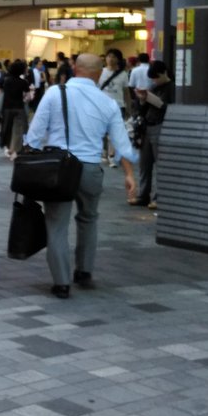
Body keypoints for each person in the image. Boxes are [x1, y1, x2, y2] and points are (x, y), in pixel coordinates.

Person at [23, 52, 137, 298]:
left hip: (58, 170)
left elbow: (34, 135)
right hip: (90, 168)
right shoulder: (107, 103)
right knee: (88, 219)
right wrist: (130, 175)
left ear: (75, 69)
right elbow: (122, 144)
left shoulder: (55, 92)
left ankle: (61, 283)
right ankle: (84, 271)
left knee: (56, 225)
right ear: (99, 75)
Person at [131, 59, 174, 209]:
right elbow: (141, 110)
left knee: (160, 165)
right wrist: (143, 100)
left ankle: (158, 198)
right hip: (147, 128)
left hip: (161, 126)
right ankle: (143, 195)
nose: (154, 81)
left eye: (156, 77)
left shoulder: (172, 88)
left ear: (164, 73)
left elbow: (169, 108)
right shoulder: (154, 88)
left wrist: (157, 102)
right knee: (144, 164)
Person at [98, 48, 128, 165]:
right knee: (102, 132)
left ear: (119, 60)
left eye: (114, 57)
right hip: (101, 106)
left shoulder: (123, 74)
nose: (111, 59)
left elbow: (126, 92)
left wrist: (128, 107)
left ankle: (112, 155)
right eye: (109, 56)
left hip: (118, 106)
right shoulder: (101, 72)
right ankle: (104, 152)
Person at [0, 59, 30, 160]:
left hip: (7, 108)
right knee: (18, 130)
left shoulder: (6, 80)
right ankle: (14, 151)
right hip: (19, 108)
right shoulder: (23, 82)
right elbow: (28, 96)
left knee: (7, 129)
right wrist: (25, 98)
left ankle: (8, 148)